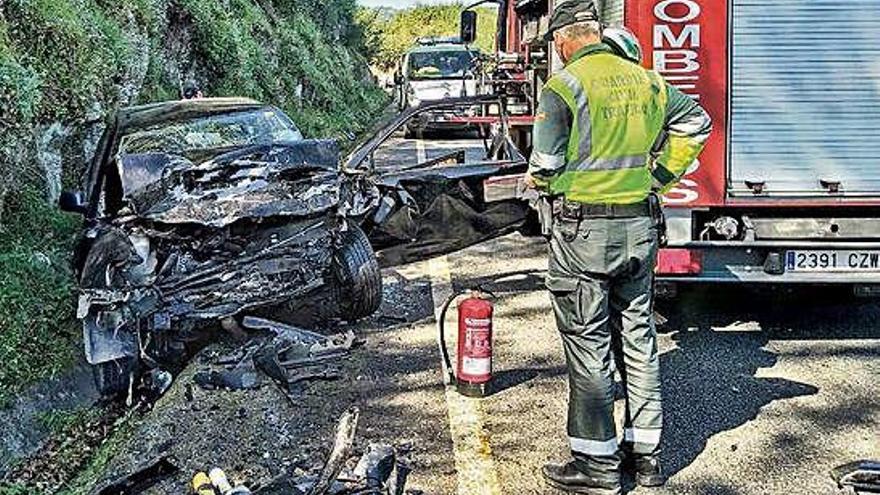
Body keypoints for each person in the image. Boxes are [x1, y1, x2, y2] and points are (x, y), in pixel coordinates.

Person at [525, 2, 712, 494]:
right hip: (639, 228)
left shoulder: (564, 86)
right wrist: (660, 177)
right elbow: (696, 124)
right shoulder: (647, 81)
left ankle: (597, 465)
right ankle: (647, 458)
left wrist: (541, 180)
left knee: (588, 343)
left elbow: (544, 164)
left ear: (565, 41)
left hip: (584, 234)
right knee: (639, 336)